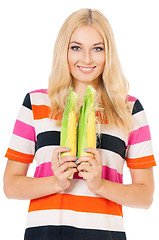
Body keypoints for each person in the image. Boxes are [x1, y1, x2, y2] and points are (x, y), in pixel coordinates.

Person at [3, 8, 156, 240]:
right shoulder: (35, 103)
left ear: (109, 53)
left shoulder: (129, 109)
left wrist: (100, 184)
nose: (86, 59)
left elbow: (145, 196)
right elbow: (11, 186)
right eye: (76, 48)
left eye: (97, 48)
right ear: (63, 50)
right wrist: (56, 182)